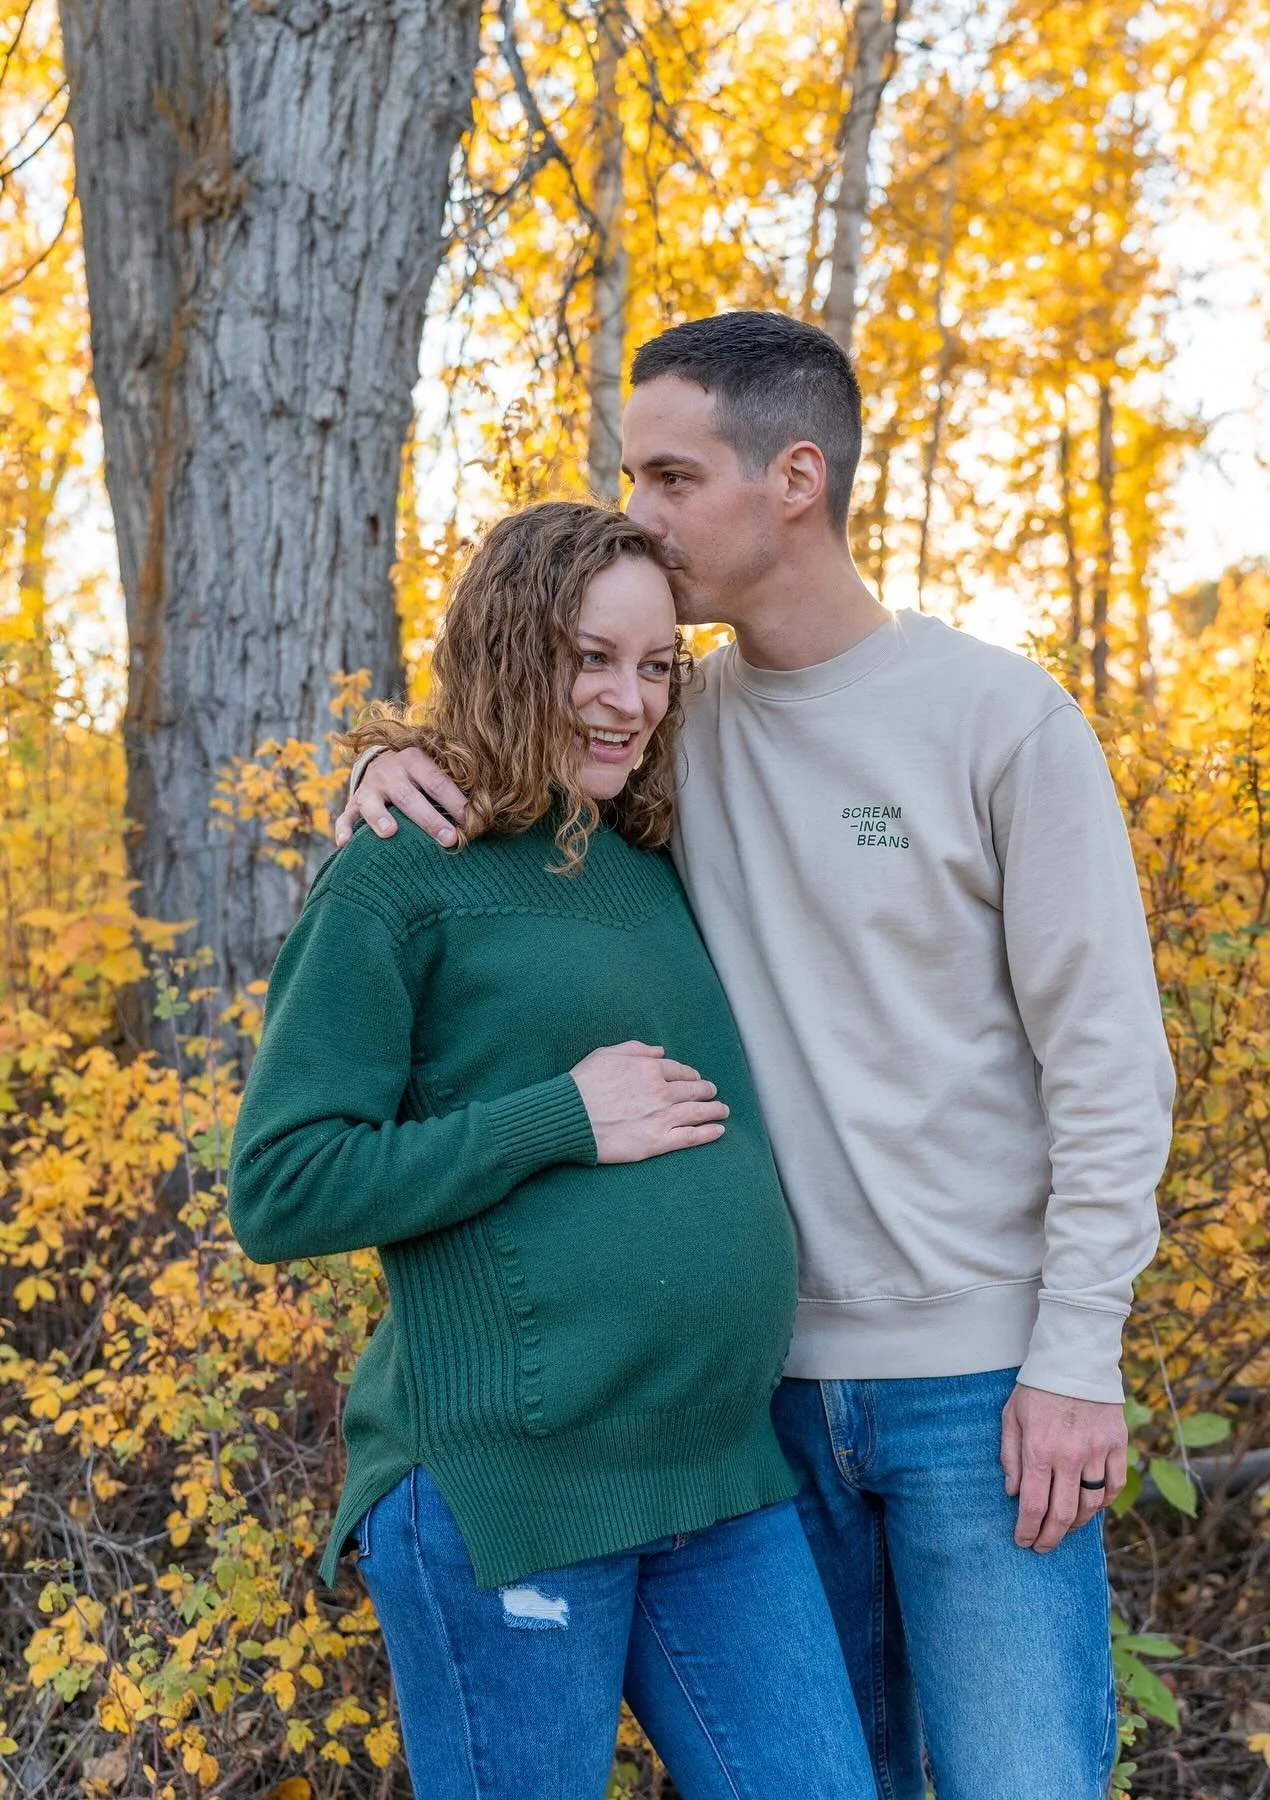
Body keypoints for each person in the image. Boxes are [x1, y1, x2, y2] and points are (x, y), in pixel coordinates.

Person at [338, 313, 1177, 1800]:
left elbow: (1107, 1064)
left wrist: (1077, 1354)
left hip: (983, 1393)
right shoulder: (670, 723)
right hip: (758, 1410)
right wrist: (396, 762)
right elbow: (518, 775)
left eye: (670, 478)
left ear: (795, 479)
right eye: (632, 478)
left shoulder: (998, 720)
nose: (639, 513)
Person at [229, 501, 878, 1800]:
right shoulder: (401, 871)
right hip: (513, 1486)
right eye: (591, 658)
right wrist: (559, 1118)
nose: (629, 701)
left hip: (717, 1473)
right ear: (512, 648)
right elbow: (282, 1185)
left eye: (656, 666)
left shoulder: (651, 852)